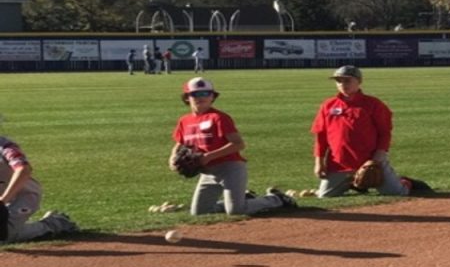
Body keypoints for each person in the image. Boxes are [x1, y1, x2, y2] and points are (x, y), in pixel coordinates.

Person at [170, 77, 296, 216]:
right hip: (208, 173)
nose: (201, 97)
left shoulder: (218, 117)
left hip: (230, 168)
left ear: (212, 97)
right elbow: (180, 143)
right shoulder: (184, 121)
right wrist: (172, 158)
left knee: (236, 211)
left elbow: (238, 144)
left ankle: (275, 199)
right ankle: (245, 199)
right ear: (187, 98)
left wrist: (208, 156)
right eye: (195, 94)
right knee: (199, 212)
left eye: (205, 93)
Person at [311, 66, 429, 197]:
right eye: (339, 81)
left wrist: (378, 156)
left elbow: (385, 132)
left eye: (347, 80)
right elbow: (321, 136)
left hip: (370, 161)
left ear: (359, 81)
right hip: (339, 163)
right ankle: (354, 183)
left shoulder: (373, 104)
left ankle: (406, 181)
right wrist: (319, 163)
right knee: (325, 195)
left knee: (397, 192)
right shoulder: (328, 105)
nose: (343, 84)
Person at [1, 136, 78, 244]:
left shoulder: (6, 147)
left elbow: (23, 169)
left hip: (24, 196)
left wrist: (3, 200)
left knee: (4, 237)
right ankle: (15, 225)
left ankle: (56, 223)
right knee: (6, 232)